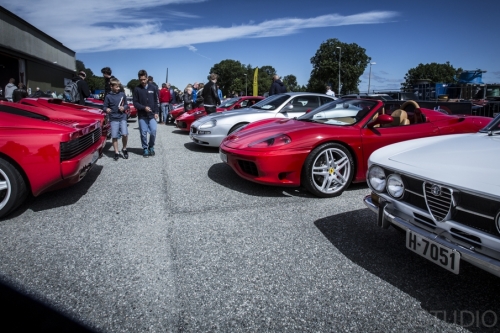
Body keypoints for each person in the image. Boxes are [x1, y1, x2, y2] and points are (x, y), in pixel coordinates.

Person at [133, 69, 159, 158]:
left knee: (153, 131)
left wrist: (156, 112)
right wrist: (143, 108)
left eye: (144, 79)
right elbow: (135, 103)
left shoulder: (153, 88)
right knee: (143, 132)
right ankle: (145, 148)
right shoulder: (137, 89)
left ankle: (151, 146)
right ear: (139, 79)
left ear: (147, 78)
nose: (143, 81)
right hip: (142, 115)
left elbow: (156, 101)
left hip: (151, 115)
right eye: (141, 80)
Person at [103, 78, 129, 161]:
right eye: (116, 87)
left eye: (119, 87)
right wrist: (106, 109)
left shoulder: (122, 94)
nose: (118, 88)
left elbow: (127, 105)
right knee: (114, 136)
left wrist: (123, 107)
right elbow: (104, 106)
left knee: (125, 134)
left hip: (122, 117)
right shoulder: (108, 96)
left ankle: (124, 149)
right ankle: (116, 152)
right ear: (111, 86)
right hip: (113, 118)